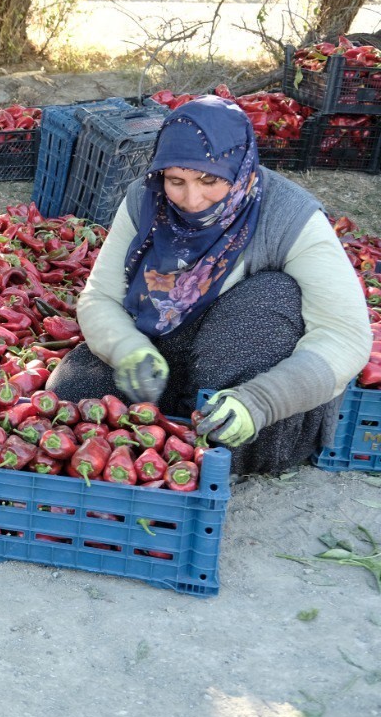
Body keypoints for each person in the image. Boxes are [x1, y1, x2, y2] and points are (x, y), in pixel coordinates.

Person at [46, 95, 371, 475]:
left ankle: (229, 443)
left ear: (240, 166)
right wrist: (127, 348)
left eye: (210, 180)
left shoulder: (289, 216)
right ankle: (175, 433)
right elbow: (100, 297)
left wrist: (262, 401)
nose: (192, 199)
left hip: (248, 362)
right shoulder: (145, 199)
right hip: (171, 344)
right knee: (68, 395)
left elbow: (346, 336)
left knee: (272, 293)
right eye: (176, 181)